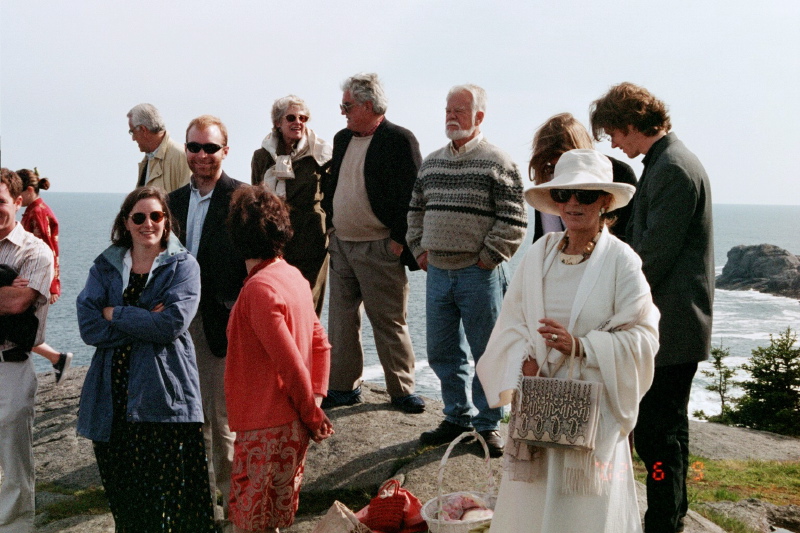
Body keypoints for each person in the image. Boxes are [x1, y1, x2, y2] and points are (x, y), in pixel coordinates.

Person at [476, 149, 660, 533]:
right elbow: (513, 322)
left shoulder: (622, 261)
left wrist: (581, 346)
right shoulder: (539, 252)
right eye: (563, 195)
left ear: (606, 201)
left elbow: (644, 336)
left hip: (595, 413)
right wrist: (524, 363)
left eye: (586, 195)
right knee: (531, 506)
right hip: (539, 403)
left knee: (584, 513)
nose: (573, 204)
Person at [590, 82, 714, 533]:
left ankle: (663, 520)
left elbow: (652, 259)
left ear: (631, 124)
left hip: (673, 329)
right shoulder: (668, 163)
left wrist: (611, 298)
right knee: (667, 433)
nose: (614, 143)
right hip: (679, 326)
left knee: (657, 437)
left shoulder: (673, 170)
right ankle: (671, 515)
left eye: (613, 134)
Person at [75, 186, 214, 531]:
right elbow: (89, 326)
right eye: (139, 217)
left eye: (156, 216)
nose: (147, 223)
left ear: (166, 221)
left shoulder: (184, 266)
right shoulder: (107, 266)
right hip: (112, 400)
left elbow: (170, 325)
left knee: (172, 505)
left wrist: (115, 313)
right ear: (126, 222)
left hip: (163, 400)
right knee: (127, 503)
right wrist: (142, 319)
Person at [407, 84, 527, 457]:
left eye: (459, 110)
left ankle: (488, 424)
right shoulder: (432, 162)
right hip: (439, 272)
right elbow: (415, 211)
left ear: (479, 117)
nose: (451, 116)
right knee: (442, 350)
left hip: (480, 274)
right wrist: (419, 250)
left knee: (488, 353)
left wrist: (488, 258)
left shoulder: (498, 162)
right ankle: (456, 416)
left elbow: (515, 219)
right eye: (448, 109)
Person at [225, 186, 334, 533]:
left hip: (263, 426)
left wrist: (313, 413)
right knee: (275, 520)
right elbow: (321, 345)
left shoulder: (258, 289)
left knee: (251, 523)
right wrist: (313, 399)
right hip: (290, 426)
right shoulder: (292, 276)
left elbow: (289, 363)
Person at [321, 72, 425, 414]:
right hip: (343, 245)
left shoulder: (399, 140)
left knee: (388, 320)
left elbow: (415, 195)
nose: (343, 112)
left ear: (368, 105)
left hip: (380, 246)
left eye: (347, 105)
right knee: (341, 320)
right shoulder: (342, 139)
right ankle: (343, 387)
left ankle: (401, 390)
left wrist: (398, 241)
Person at [168, 114, 247, 526]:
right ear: (186, 149)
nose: (201, 156)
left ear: (225, 151)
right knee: (188, 423)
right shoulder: (170, 202)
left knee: (223, 426)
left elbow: (260, 263)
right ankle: (202, 511)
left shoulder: (243, 198)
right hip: (177, 330)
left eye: (210, 148)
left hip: (221, 326)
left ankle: (234, 514)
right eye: (194, 147)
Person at [0, 168, 54, 533]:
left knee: (13, 459)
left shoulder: (36, 251)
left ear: (18, 202)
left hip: (10, 364)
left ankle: (15, 527)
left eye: (0, 202)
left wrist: (10, 294)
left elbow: (19, 303)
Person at [251, 95, 332, 316]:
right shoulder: (261, 157)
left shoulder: (320, 155)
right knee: (277, 305)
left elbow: (331, 197)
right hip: (274, 243)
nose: (298, 122)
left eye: (303, 118)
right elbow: (256, 200)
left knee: (306, 307)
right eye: (291, 117)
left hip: (311, 242)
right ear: (278, 122)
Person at [529, 113, 636, 243]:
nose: (557, 172)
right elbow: (542, 235)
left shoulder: (619, 174)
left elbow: (631, 233)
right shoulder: (546, 177)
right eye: (551, 166)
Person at [17, 168, 73, 384]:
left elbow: (48, 251)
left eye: (18, 192)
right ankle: (56, 359)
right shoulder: (34, 210)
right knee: (21, 330)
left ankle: (54, 360)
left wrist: (52, 285)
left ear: (30, 190)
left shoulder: (37, 212)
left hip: (35, 281)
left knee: (22, 331)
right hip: (31, 279)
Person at [128, 103, 191, 192]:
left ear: (143, 130)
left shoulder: (181, 156)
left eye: (132, 132)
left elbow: (188, 200)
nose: (133, 138)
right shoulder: (148, 159)